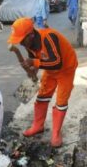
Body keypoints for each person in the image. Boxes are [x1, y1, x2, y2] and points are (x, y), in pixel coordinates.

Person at [7, 17, 78, 147]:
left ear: (31, 35)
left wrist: (35, 63)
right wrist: (32, 71)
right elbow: (37, 64)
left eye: (22, 40)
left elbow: (57, 62)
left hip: (66, 70)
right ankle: (38, 126)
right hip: (50, 71)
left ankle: (56, 133)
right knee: (41, 98)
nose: (21, 44)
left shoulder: (49, 37)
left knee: (61, 102)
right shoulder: (29, 45)